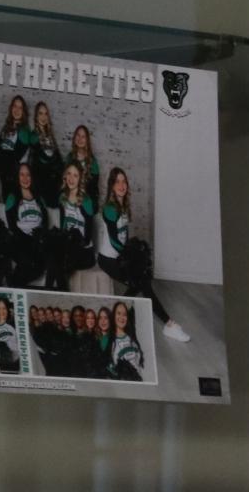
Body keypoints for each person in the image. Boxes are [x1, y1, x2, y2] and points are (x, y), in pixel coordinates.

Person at [96, 168, 188, 342]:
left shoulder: (123, 206)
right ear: (111, 186)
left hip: (119, 256)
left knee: (140, 282)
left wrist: (132, 257)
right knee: (141, 283)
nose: (122, 185)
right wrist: (131, 258)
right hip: (108, 260)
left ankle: (116, 317)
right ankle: (169, 324)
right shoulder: (110, 208)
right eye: (117, 182)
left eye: (124, 181)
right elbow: (115, 240)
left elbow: (125, 237)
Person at [45, 161, 99, 291]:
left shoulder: (86, 201)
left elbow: (86, 238)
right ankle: (49, 292)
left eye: (75, 175)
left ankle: (55, 295)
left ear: (80, 178)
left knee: (60, 264)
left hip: (84, 251)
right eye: (69, 173)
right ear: (65, 176)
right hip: (68, 247)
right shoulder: (63, 197)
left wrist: (69, 244)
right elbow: (64, 226)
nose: (71, 178)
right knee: (53, 259)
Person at [0, 163, 47, 286]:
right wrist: (29, 240)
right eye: (22, 174)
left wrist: (39, 237)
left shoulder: (39, 197)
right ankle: (14, 288)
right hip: (19, 241)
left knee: (40, 266)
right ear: (17, 177)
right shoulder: (12, 197)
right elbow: (12, 226)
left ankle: (13, 286)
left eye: (28, 175)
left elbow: (45, 221)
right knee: (26, 262)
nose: (25, 178)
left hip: (37, 241)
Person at [0, 95, 32, 197]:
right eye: (15, 106)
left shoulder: (24, 132)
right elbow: (2, 156)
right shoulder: (6, 129)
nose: (17, 110)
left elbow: (14, 158)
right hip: (5, 177)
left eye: (20, 107)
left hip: (17, 178)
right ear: (11, 108)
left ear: (24, 111)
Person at [29, 102, 64, 204]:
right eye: (40, 113)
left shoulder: (50, 136)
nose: (43, 117)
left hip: (54, 182)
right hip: (41, 182)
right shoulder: (34, 136)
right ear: (36, 116)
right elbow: (40, 159)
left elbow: (57, 158)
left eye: (46, 113)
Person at [110, 300, 145, 381]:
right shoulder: (111, 341)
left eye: (124, 314)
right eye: (118, 313)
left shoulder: (132, 336)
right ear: (113, 316)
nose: (122, 317)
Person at [66, 125, 99, 198]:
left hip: (86, 199)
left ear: (87, 140)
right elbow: (65, 180)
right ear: (74, 137)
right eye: (78, 135)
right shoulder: (69, 158)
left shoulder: (92, 162)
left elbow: (93, 188)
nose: (80, 139)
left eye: (83, 137)